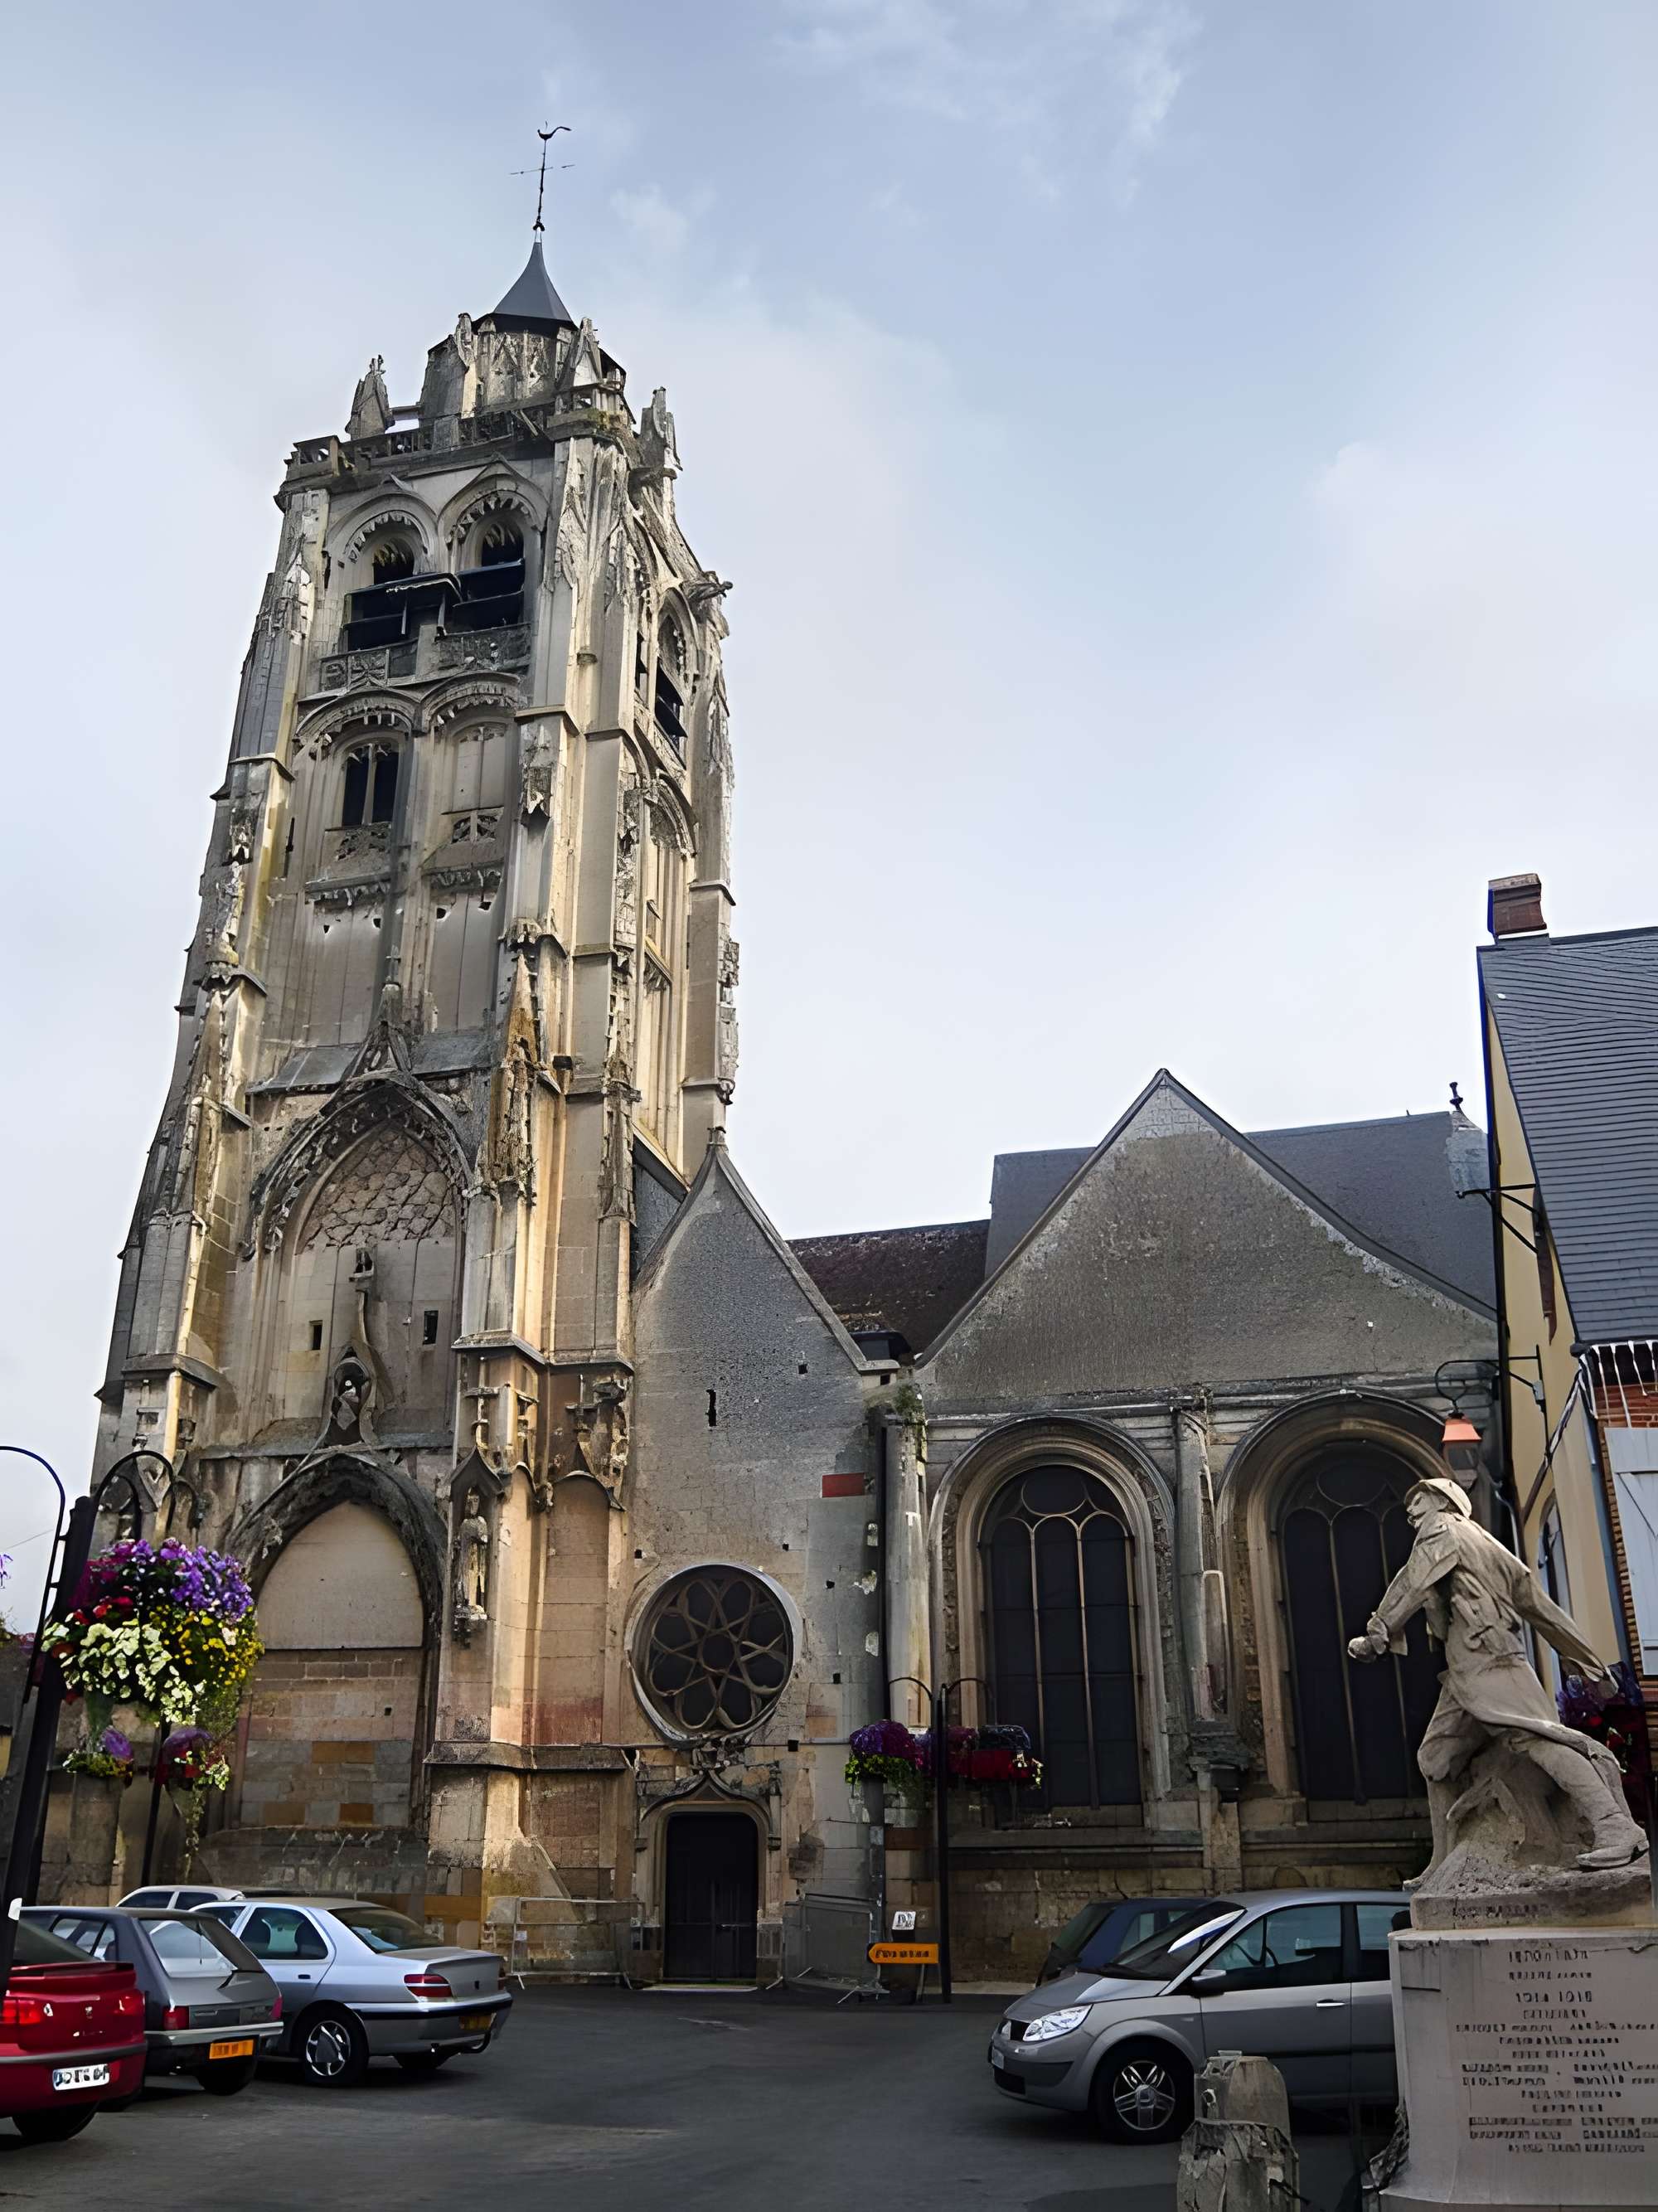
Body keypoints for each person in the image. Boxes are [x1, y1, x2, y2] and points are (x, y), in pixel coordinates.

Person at [1346, 1475, 1647, 1875]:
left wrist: (1376, 1634)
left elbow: (1413, 1583)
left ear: (1443, 1500)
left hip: (1487, 1658)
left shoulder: (1444, 1530)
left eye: (1417, 1501)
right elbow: (1537, 1603)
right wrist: (1587, 1660)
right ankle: (1444, 1861)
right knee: (1435, 1758)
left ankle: (1616, 1827)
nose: (1411, 1512)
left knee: (1536, 1738)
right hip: (1468, 1666)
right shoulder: (1485, 1544)